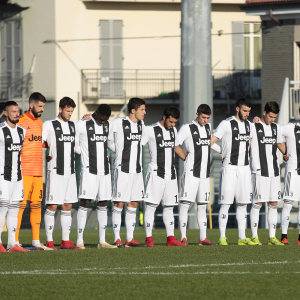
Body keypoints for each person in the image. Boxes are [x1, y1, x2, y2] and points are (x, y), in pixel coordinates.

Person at [211, 98, 257, 245]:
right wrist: (222, 153)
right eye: (245, 111)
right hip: (230, 168)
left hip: (244, 169)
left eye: (249, 111)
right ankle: (222, 237)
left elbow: (250, 143)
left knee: (243, 204)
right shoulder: (226, 124)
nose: (247, 114)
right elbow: (210, 142)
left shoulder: (250, 125)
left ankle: (242, 238)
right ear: (237, 109)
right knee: (226, 203)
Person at [175, 104, 220, 245]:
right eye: (203, 117)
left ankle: (203, 238)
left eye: (207, 118)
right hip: (191, 173)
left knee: (202, 206)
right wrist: (185, 157)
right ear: (197, 114)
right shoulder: (186, 128)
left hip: (205, 174)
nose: (205, 120)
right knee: (185, 204)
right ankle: (183, 237)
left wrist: (224, 153)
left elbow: (209, 144)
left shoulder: (207, 127)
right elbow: (175, 144)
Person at [142, 106, 186, 247]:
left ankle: (171, 238)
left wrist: (187, 158)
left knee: (169, 207)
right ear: (164, 117)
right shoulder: (150, 130)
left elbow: (176, 147)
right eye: (171, 122)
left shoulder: (173, 130)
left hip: (171, 174)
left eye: (175, 123)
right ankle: (149, 239)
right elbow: (137, 145)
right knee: (151, 206)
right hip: (156, 173)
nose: (173, 125)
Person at [75, 104, 117, 249]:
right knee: (85, 202)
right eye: (102, 119)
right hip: (89, 169)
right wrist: (84, 153)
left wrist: (119, 152)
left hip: (105, 170)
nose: (104, 122)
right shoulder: (82, 124)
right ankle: (79, 241)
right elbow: (75, 145)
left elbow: (111, 143)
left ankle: (102, 241)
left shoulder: (108, 126)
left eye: (106, 120)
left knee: (103, 203)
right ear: (97, 113)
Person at [42, 97, 81, 250]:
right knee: (52, 206)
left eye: (72, 111)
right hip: (55, 171)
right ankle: (50, 242)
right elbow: (41, 143)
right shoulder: (49, 124)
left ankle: (66, 241)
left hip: (70, 172)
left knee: (67, 205)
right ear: (60, 109)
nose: (70, 114)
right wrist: (45, 154)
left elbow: (77, 147)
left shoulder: (73, 126)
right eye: (67, 111)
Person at [15, 92, 52, 250]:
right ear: (31, 105)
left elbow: (40, 143)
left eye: (43, 106)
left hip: (38, 171)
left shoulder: (40, 122)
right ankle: (14, 241)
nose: (42, 109)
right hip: (24, 172)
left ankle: (36, 241)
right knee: (20, 206)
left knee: (37, 205)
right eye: (40, 106)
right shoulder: (20, 122)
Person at [111, 98, 146, 247]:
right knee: (119, 202)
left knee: (133, 203)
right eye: (142, 110)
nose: (145, 112)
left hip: (137, 170)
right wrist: (117, 153)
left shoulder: (141, 124)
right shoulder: (118, 123)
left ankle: (130, 239)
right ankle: (117, 238)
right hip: (122, 169)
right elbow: (106, 138)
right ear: (133, 110)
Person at [250, 101, 285, 245]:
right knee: (257, 203)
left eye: (274, 117)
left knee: (273, 203)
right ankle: (254, 236)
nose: (272, 120)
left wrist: (287, 153)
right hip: (259, 170)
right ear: (264, 113)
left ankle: (272, 237)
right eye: (270, 116)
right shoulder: (254, 126)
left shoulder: (276, 128)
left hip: (274, 171)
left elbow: (281, 145)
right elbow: (247, 143)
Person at [0, 101, 28, 252]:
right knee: (2, 208)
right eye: (13, 111)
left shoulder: (22, 131)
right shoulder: (0, 130)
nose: (17, 114)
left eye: (18, 111)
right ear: (5, 113)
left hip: (17, 176)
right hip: (2, 175)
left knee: (14, 209)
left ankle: (12, 244)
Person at [280, 108, 300, 245]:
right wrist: (284, 151)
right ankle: (284, 237)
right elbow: (273, 132)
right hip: (293, 170)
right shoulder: (290, 127)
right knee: (288, 203)